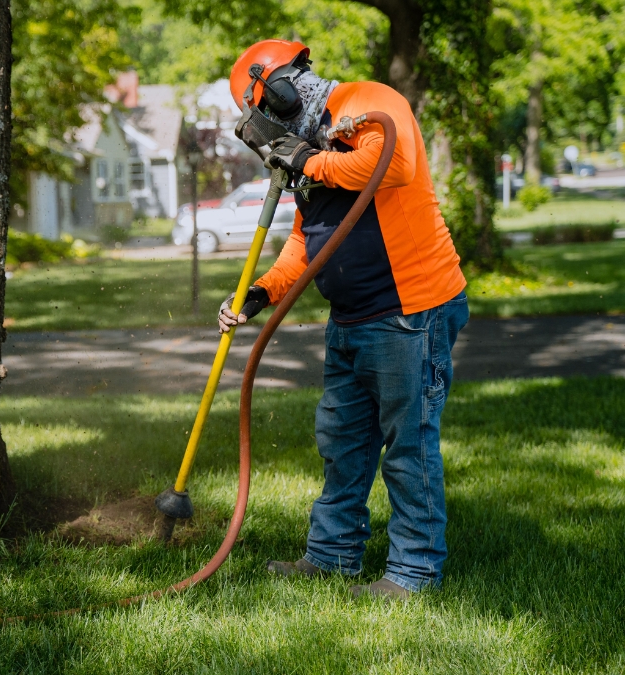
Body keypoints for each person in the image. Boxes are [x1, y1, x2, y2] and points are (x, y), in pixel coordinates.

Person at [219, 39, 469, 600]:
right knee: (342, 441)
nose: (260, 129)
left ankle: (413, 572)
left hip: (411, 309)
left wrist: (303, 158)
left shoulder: (369, 100)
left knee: (408, 447)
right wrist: (262, 290)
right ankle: (332, 557)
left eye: (260, 112)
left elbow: (391, 165)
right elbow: (309, 237)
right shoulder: (310, 144)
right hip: (352, 318)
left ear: (278, 89)